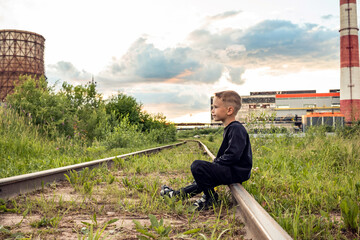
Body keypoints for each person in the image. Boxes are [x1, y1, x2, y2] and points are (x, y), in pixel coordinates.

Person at [161, 90, 252, 210]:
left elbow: (233, 155)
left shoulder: (236, 128)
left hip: (236, 171)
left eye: (215, 107)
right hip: (232, 170)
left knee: (198, 166)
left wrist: (216, 164)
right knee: (203, 179)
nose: (212, 111)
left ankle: (211, 198)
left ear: (229, 110)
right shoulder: (231, 128)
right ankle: (176, 195)